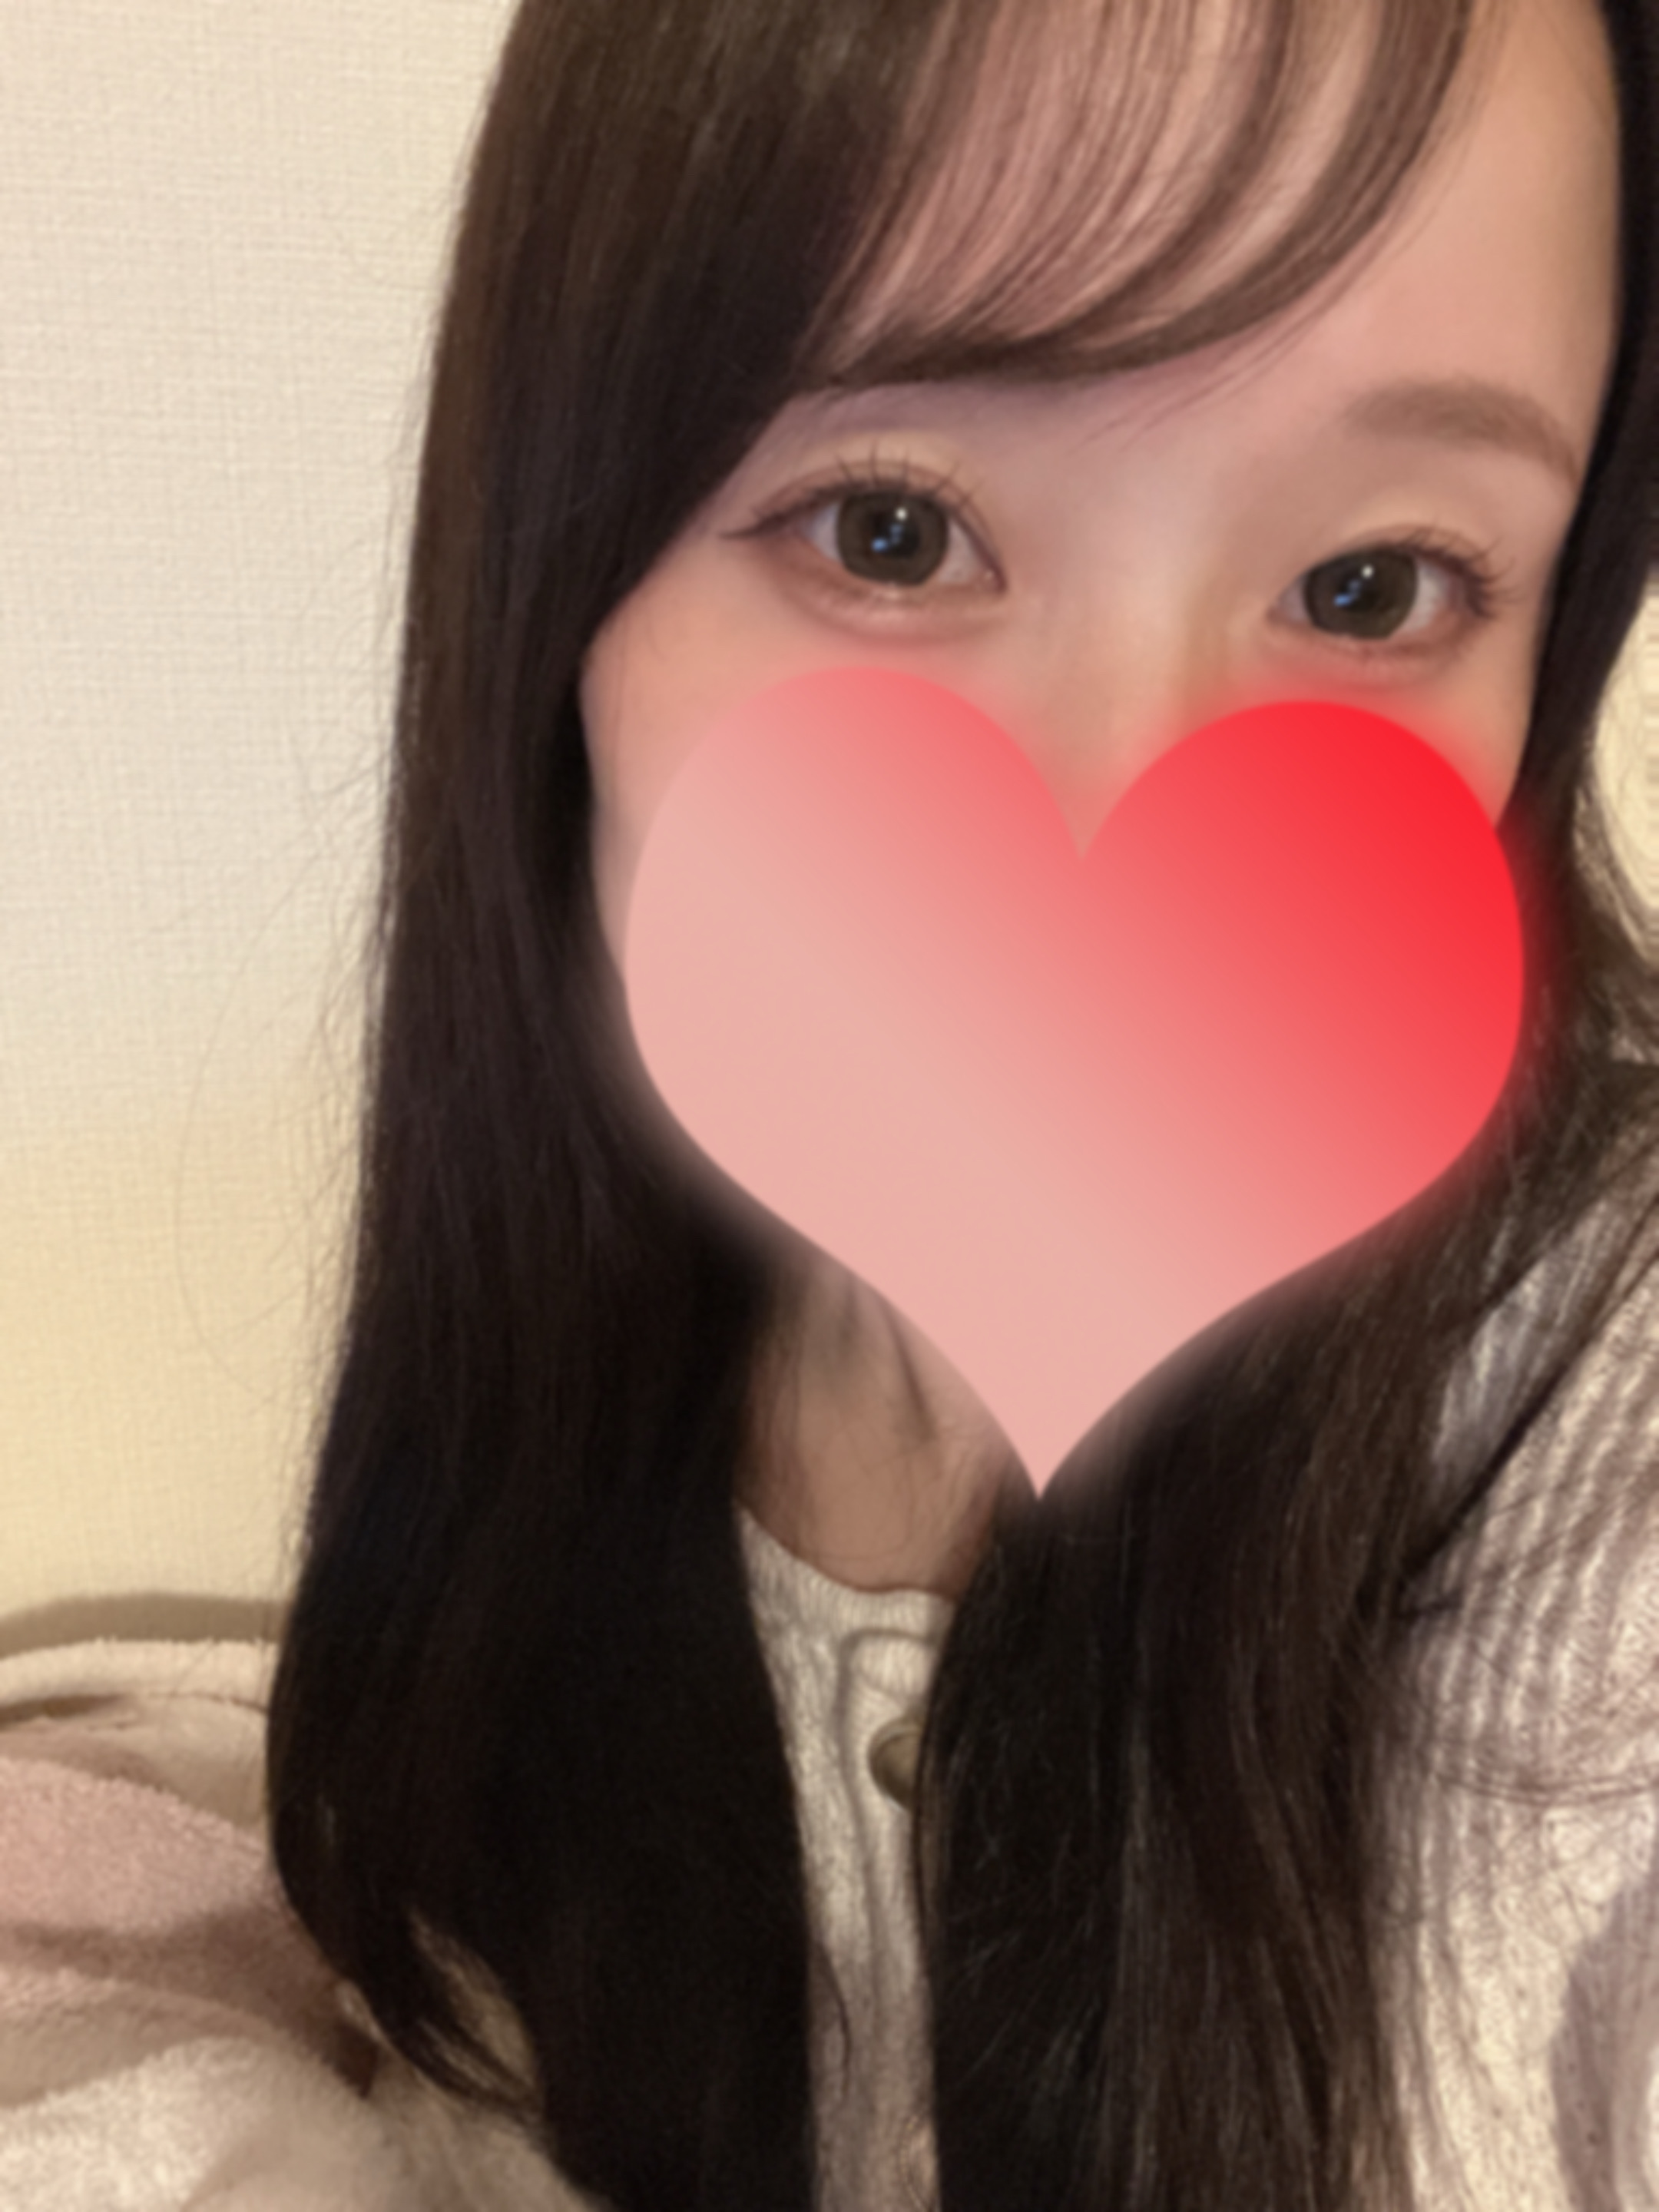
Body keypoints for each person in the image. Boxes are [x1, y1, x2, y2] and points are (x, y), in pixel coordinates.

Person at [2, 0, 1657, 2205]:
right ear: (559, 586)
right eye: (890, 532)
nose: (1127, 803)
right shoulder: (583, 1384)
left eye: (1372, 587)